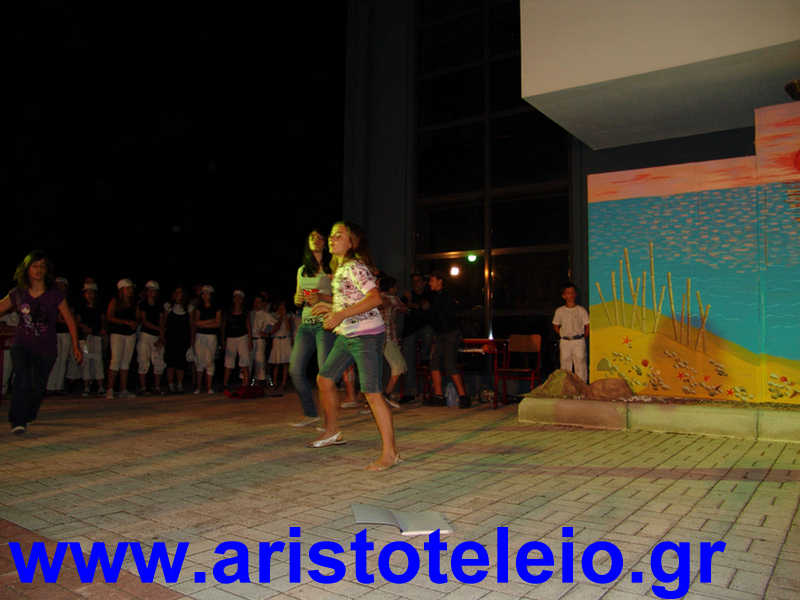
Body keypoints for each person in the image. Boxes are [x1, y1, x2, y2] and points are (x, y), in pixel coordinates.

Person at [311, 221, 400, 471]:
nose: (332, 239)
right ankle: (332, 431)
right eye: (331, 235)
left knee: (372, 393)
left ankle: (390, 453)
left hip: (366, 336)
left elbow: (375, 298)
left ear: (352, 243)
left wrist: (339, 314)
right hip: (347, 334)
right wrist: (330, 308)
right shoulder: (341, 268)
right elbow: (353, 301)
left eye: (339, 236)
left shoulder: (355, 266)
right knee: (324, 379)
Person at [0, 250, 82, 434]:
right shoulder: (18, 293)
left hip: (46, 347)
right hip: (22, 344)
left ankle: (29, 413)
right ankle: (18, 420)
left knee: (38, 386)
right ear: (27, 269)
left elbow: (69, 320)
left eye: (42, 266)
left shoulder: (54, 294)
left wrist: (76, 345)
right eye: (34, 266)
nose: (38, 270)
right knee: (21, 380)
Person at [288, 228, 335, 427]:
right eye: (312, 238)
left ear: (325, 243)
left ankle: (330, 421)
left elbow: (341, 298)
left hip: (325, 323)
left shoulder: (332, 267)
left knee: (324, 374)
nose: (316, 240)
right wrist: (298, 299)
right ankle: (310, 414)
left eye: (320, 238)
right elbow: (297, 298)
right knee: (295, 370)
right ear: (308, 243)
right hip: (306, 324)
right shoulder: (302, 270)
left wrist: (321, 297)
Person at [427, 271, 469, 408]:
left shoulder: (448, 295)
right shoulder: (434, 296)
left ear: (440, 281)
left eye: (432, 280)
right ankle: (439, 396)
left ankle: (463, 396)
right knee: (434, 362)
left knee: (449, 364)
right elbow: (434, 317)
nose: (429, 283)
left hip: (451, 333)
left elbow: (450, 314)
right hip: (440, 333)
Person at [400, 272, 434, 403]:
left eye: (418, 281)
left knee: (428, 332)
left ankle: (425, 357)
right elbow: (401, 307)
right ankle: (410, 392)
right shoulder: (407, 294)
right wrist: (410, 304)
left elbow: (425, 306)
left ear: (424, 282)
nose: (415, 284)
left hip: (424, 328)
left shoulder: (429, 294)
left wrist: (412, 304)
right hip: (410, 331)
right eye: (413, 281)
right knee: (408, 362)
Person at [46, 277, 80, 394]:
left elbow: (72, 318)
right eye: (58, 284)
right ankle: (50, 386)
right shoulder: (50, 298)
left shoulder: (69, 301)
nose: (60, 286)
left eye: (62, 284)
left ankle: (58, 386)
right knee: (54, 358)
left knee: (63, 359)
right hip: (54, 332)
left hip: (66, 333)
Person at [106, 279, 138, 399]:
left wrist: (135, 322)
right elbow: (109, 317)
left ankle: (123, 390)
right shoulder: (115, 301)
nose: (131, 290)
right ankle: (110, 389)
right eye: (128, 288)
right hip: (117, 333)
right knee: (115, 360)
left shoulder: (134, 302)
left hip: (130, 334)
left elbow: (138, 316)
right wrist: (125, 322)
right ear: (122, 289)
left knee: (126, 362)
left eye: (131, 288)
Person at [552, 282, 590, 382]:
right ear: (563, 296)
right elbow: (555, 325)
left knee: (580, 364)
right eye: (568, 293)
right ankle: (566, 386)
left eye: (573, 293)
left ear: (575, 294)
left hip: (578, 340)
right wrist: (562, 334)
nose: (571, 295)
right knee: (565, 364)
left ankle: (582, 386)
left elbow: (587, 325)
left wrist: (583, 337)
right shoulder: (560, 311)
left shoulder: (581, 310)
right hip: (565, 341)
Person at [379, 276, 408, 400]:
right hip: (388, 337)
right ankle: (385, 395)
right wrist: (408, 299)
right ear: (390, 288)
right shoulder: (392, 298)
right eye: (395, 287)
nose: (396, 289)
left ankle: (382, 395)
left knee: (377, 367)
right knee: (399, 366)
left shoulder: (376, 298)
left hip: (377, 337)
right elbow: (405, 309)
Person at [137, 281, 166, 395]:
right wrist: (159, 329)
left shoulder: (159, 304)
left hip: (157, 336)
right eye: (150, 290)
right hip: (145, 335)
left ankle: (157, 387)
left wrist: (161, 336)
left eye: (154, 290)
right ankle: (143, 388)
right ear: (147, 291)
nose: (152, 292)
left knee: (158, 361)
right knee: (143, 360)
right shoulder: (142, 304)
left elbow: (162, 320)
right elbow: (144, 321)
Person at [77, 282, 105, 396]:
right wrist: (84, 327)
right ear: (84, 294)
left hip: (96, 337)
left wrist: (103, 330)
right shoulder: (80, 307)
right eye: (88, 293)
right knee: (86, 360)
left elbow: (103, 320)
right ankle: (86, 387)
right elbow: (77, 321)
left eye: (92, 293)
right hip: (84, 339)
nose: (90, 295)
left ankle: (100, 386)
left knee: (98, 360)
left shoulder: (99, 307)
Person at [192, 285, 221, 394]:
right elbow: (196, 322)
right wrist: (210, 321)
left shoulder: (216, 307)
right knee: (199, 361)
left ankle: (209, 387)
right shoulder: (199, 307)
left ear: (211, 295)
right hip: (200, 336)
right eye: (203, 293)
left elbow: (218, 324)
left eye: (207, 293)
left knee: (209, 361)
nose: (205, 295)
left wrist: (203, 324)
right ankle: (198, 387)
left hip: (211, 336)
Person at [164, 286, 192, 393]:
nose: (178, 294)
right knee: (170, 363)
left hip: (183, 339)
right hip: (171, 338)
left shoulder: (189, 308)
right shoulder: (168, 306)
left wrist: (192, 340)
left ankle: (180, 384)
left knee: (181, 362)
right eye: (176, 292)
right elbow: (163, 323)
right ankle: (170, 384)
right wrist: (162, 337)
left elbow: (192, 325)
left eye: (180, 292)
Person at [222, 290, 251, 389]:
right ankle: (225, 384)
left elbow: (248, 327)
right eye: (236, 297)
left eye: (239, 298)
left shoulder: (245, 312)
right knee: (228, 361)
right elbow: (223, 327)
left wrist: (250, 340)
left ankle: (245, 384)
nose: (237, 299)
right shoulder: (228, 312)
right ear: (233, 299)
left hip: (242, 337)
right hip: (230, 338)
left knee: (244, 360)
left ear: (242, 300)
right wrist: (223, 340)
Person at [250, 295, 276, 387]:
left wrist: (267, 333)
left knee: (260, 361)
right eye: (255, 301)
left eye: (259, 302)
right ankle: (248, 383)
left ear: (262, 303)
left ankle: (260, 383)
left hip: (260, 340)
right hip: (249, 340)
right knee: (249, 361)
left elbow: (274, 324)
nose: (257, 303)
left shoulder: (265, 314)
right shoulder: (251, 313)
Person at [268, 300, 292, 391]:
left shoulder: (288, 316)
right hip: (277, 340)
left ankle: (283, 383)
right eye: (280, 307)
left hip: (286, 340)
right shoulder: (273, 316)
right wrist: (281, 317)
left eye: (283, 307)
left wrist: (285, 317)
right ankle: (274, 382)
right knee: (276, 363)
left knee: (285, 363)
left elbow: (288, 329)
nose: (282, 309)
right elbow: (273, 329)